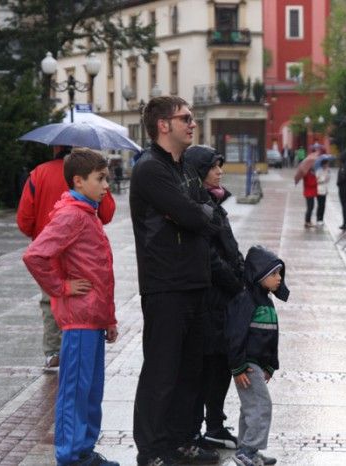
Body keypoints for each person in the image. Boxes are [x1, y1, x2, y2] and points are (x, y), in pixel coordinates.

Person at [130, 96, 219, 466]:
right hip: (165, 284)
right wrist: (195, 212)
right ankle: (151, 450)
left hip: (195, 281)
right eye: (185, 118)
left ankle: (182, 440)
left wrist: (196, 211)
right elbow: (194, 215)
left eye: (192, 118)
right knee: (162, 372)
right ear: (163, 125)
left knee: (190, 371)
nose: (192, 123)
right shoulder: (150, 169)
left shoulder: (184, 168)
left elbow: (210, 213)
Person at [22, 148, 119, 466]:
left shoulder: (88, 213)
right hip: (79, 320)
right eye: (100, 179)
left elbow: (100, 272)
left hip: (93, 319)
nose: (106, 185)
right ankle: (70, 455)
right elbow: (35, 255)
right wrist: (61, 288)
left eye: (107, 178)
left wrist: (109, 319)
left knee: (91, 391)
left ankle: (84, 450)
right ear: (78, 181)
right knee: (75, 391)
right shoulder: (71, 215)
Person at [17, 145, 116, 369]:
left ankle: (53, 351)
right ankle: (57, 351)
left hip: (54, 256)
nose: (105, 185)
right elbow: (108, 213)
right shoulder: (78, 208)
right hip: (73, 285)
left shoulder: (39, 173)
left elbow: (24, 218)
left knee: (49, 303)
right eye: (101, 179)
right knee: (78, 376)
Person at [184, 145, 245, 451]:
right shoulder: (198, 205)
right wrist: (235, 283)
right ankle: (206, 428)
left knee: (220, 362)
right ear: (199, 171)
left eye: (220, 165)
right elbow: (208, 254)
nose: (220, 171)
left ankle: (215, 425)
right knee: (211, 364)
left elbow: (228, 247)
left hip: (222, 296)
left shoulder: (213, 201)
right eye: (213, 167)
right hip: (211, 297)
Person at [226, 245, 290, 466]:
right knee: (261, 407)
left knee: (250, 408)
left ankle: (247, 449)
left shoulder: (266, 302)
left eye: (280, 273)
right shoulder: (247, 301)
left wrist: (271, 365)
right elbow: (235, 335)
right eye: (273, 273)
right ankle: (248, 450)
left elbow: (271, 337)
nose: (279, 278)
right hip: (247, 365)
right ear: (259, 274)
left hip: (257, 366)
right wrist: (238, 367)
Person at [315, 158, 331, 226]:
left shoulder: (327, 171)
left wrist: (328, 174)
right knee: (320, 205)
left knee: (323, 205)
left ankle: (321, 219)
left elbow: (328, 180)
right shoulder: (319, 171)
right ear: (323, 164)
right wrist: (323, 180)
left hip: (324, 190)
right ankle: (318, 219)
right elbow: (316, 180)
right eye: (327, 164)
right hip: (319, 190)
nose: (328, 165)